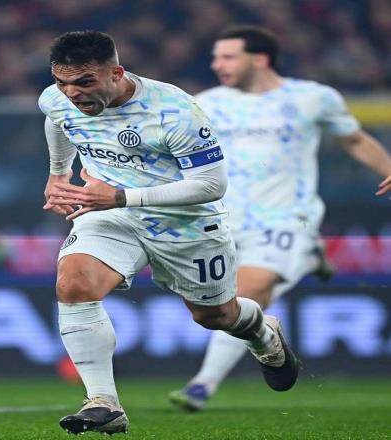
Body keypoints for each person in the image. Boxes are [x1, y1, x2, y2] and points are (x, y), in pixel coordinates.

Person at [39, 30, 299, 435]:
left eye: (85, 82)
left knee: (215, 316)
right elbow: (58, 120)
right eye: (63, 82)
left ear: (116, 73)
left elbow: (211, 185)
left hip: (185, 224)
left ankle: (264, 333)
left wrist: (121, 196)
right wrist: (58, 174)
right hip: (110, 213)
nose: (72, 93)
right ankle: (103, 402)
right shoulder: (57, 99)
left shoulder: (175, 111)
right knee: (73, 284)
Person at [168, 25, 391, 412]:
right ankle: (310, 256)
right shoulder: (206, 104)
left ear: (260, 59)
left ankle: (202, 384)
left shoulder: (312, 98)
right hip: (224, 219)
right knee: (228, 306)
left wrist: (388, 168)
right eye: (216, 57)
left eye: (228, 56)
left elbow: (354, 139)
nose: (217, 64)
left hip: (287, 217)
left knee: (247, 292)